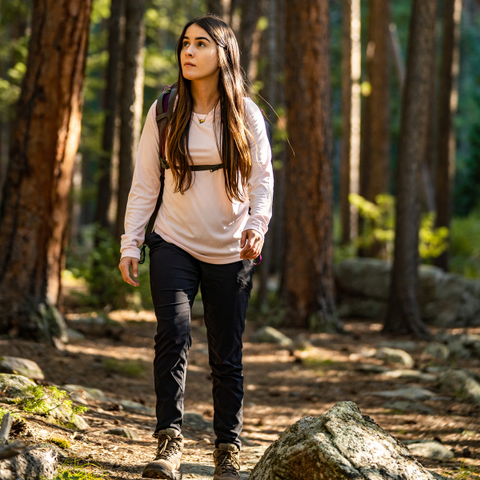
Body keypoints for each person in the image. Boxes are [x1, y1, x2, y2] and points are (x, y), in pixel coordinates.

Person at [118, 13, 273, 480]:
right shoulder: (164, 110)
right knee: (174, 334)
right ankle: (169, 444)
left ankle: (228, 450)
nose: (189, 51)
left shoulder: (246, 114)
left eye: (201, 44)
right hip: (173, 242)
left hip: (231, 249)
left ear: (224, 53)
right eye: (186, 43)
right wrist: (132, 242)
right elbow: (145, 183)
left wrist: (257, 225)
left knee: (227, 354)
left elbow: (263, 179)